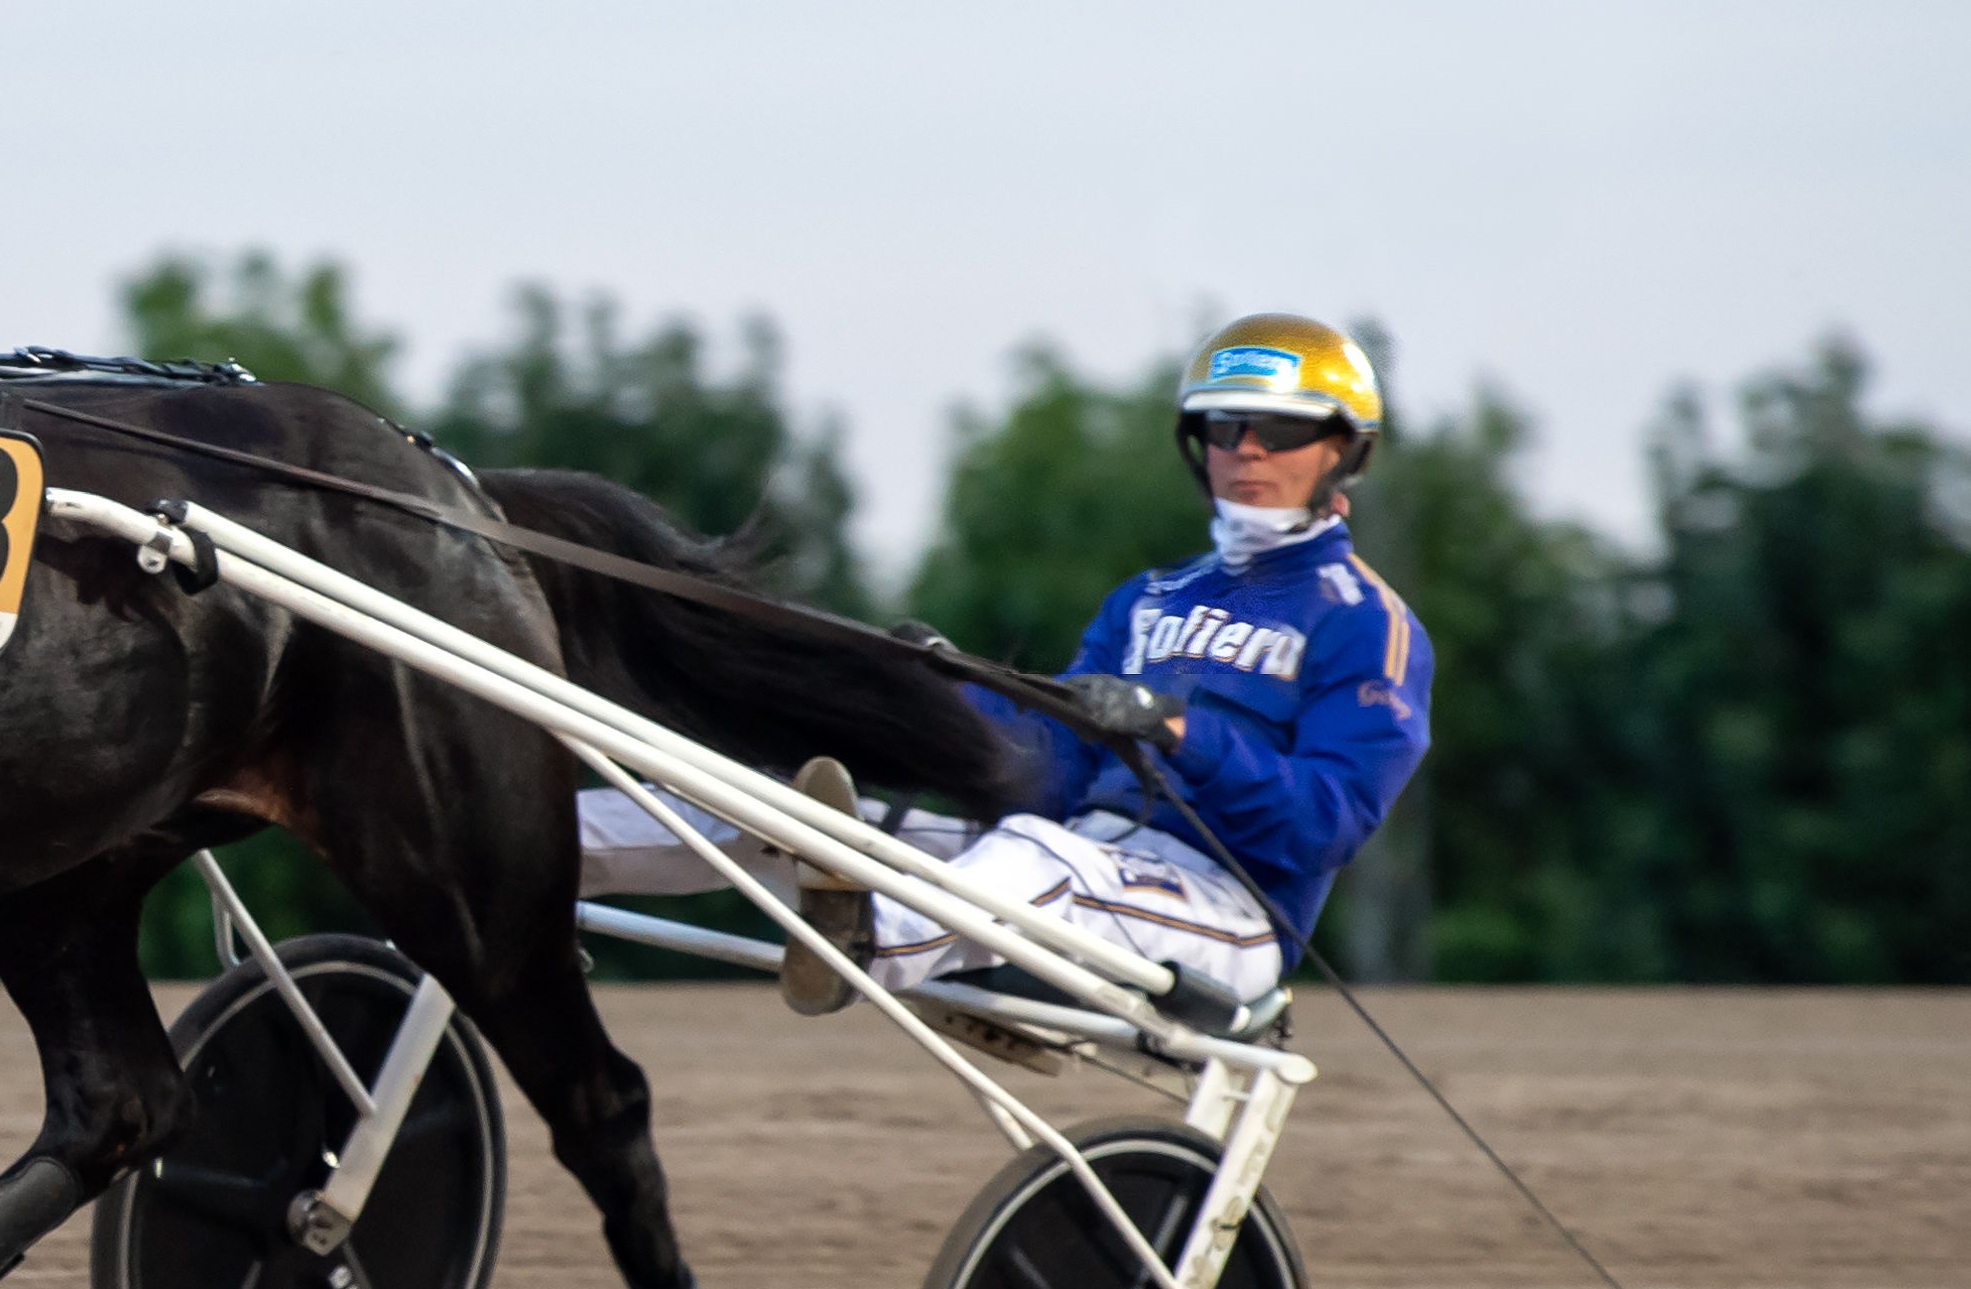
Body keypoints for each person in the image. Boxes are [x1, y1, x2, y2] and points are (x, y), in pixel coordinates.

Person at [577, 313, 1431, 1015]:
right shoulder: (1148, 599)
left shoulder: (1368, 626)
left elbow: (1327, 822)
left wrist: (1176, 728)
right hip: (1073, 859)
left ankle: (866, 942)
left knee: (1034, 855)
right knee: (772, 806)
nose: (1246, 449)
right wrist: (936, 693)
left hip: (1225, 917)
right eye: (1222, 426)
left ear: (1342, 449)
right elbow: (1050, 775)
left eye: (1279, 430)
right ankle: (531, 855)